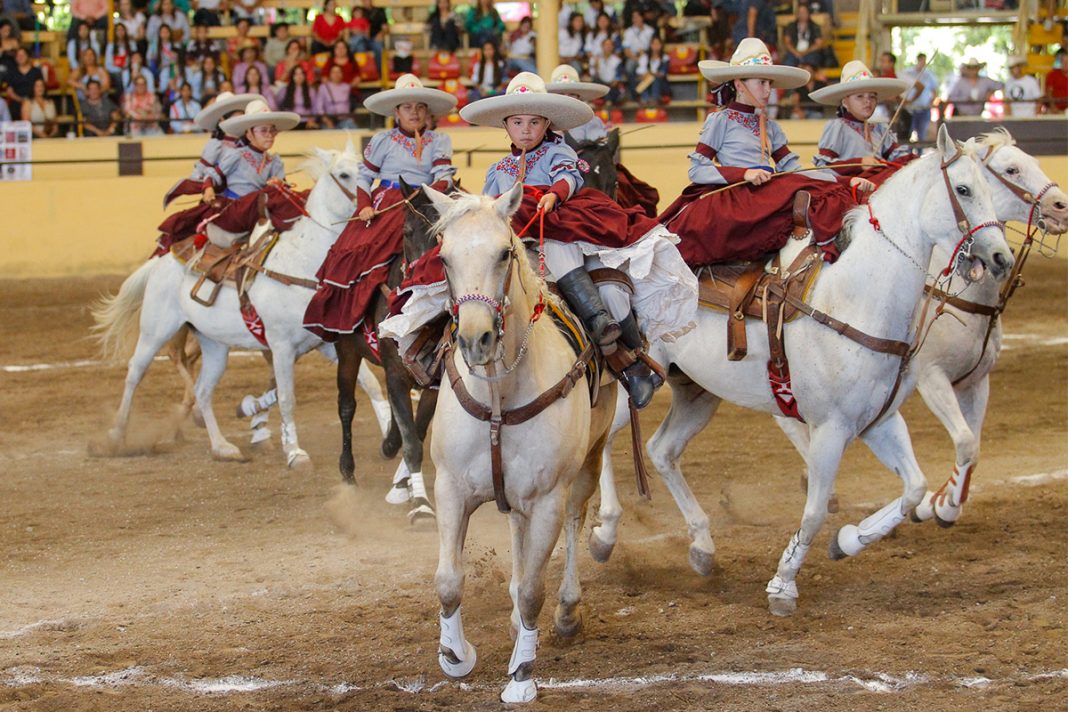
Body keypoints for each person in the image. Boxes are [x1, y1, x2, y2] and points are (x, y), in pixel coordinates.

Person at [391, 72, 696, 407]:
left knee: (566, 255)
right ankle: (441, 346)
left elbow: (570, 176)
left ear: (547, 123)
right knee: (472, 276)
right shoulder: (498, 169)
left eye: (534, 122)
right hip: (516, 240)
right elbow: (491, 209)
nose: (526, 130)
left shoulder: (558, 151)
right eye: (518, 122)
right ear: (506, 126)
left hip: (557, 226)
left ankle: (622, 350)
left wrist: (554, 194)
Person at [658, 38, 870, 268]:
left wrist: (846, 180)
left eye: (769, 83)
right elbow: (697, 169)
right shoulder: (721, 120)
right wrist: (744, 174)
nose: (768, 90)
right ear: (739, 85)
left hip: (764, 193)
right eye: (762, 83)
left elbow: (795, 169)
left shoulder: (770, 126)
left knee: (823, 190)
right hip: (737, 196)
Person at [302, 74, 457, 341]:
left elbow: (443, 176)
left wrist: (431, 195)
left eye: (420, 107)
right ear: (396, 112)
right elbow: (364, 177)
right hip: (389, 201)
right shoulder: (382, 140)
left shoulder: (439, 140)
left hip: (429, 199)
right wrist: (363, 205)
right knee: (363, 255)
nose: (415, 112)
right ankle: (364, 320)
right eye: (407, 107)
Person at [157, 98, 305, 251]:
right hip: (235, 212)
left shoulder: (274, 161)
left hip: (257, 213)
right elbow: (213, 174)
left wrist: (279, 184)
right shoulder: (237, 155)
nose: (269, 135)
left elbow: (284, 187)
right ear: (249, 134)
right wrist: (208, 189)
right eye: (263, 130)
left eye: (272, 130)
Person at [809, 60, 912, 186]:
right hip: (848, 189)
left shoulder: (879, 128)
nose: (867, 101)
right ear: (845, 102)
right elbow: (823, 166)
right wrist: (859, 163)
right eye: (860, 96)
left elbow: (899, 157)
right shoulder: (838, 127)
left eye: (872, 96)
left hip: (877, 188)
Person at [161, 90, 257, 208]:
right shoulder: (215, 146)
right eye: (235, 118)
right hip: (222, 201)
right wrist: (211, 185)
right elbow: (198, 175)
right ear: (222, 119)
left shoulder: (250, 143)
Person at [900, 52, 938, 142]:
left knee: (922, 134)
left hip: (924, 108)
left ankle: (920, 153)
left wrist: (931, 103)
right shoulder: (907, 73)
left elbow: (934, 91)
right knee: (907, 133)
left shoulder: (929, 75)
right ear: (917, 60)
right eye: (921, 60)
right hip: (910, 109)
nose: (922, 63)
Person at [781, 3, 825, 68]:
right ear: (797, 14)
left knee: (810, 64)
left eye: (804, 12)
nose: (802, 14)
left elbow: (818, 44)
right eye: (800, 12)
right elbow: (787, 42)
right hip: (794, 52)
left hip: (810, 52)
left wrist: (805, 52)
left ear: (808, 13)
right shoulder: (791, 26)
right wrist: (796, 52)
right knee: (787, 64)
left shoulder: (815, 26)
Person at [277, 64, 318, 129]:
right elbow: (278, 106)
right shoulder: (284, 90)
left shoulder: (311, 91)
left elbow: (315, 108)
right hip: (289, 122)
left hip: (307, 121)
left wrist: (312, 120)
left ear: (304, 76)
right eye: (296, 74)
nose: (299, 76)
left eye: (301, 74)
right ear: (292, 76)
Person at [316, 63, 354, 128]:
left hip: (344, 120)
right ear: (330, 74)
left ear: (342, 74)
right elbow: (319, 108)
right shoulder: (323, 87)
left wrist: (350, 118)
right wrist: (327, 121)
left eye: (338, 72)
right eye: (334, 72)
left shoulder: (347, 87)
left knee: (352, 129)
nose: (336, 74)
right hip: (329, 120)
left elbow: (348, 106)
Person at [590, 37, 625, 104]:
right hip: (600, 84)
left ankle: (608, 99)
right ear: (602, 46)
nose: (608, 47)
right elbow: (594, 75)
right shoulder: (596, 59)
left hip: (612, 85)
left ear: (613, 47)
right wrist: (596, 66)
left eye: (610, 45)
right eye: (606, 45)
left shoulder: (617, 60)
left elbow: (617, 77)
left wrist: (612, 83)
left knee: (612, 90)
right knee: (596, 82)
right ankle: (608, 100)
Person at [1044, 48, 1068, 114]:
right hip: (1055, 109)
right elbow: (1049, 93)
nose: (1066, 64)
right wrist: (1053, 108)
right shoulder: (1052, 75)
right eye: (1064, 62)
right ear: (1060, 62)